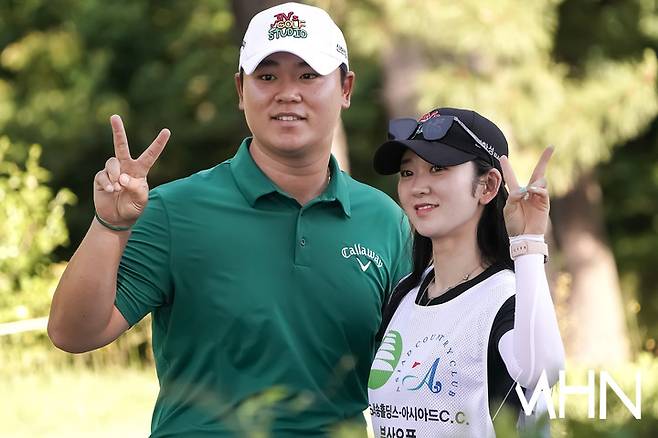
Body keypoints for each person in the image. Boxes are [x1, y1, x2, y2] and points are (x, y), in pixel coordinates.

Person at [47, 3, 410, 436]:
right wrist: (110, 225)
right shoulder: (173, 210)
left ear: (346, 88)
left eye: (308, 75)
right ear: (240, 90)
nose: (287, 93)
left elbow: (413, 365)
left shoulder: (385, 221)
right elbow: (73, 333)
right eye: (267, 76)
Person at [367, 107, 565, 437]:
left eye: (438, 169)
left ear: (488, 186)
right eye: (407, 173)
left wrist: (528, 243)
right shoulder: (404, 295)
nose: (418, 187)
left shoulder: (506, 298)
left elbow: (543, 373)